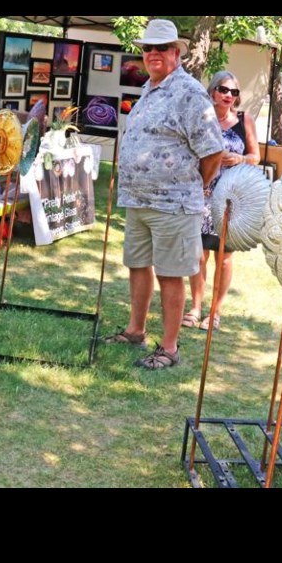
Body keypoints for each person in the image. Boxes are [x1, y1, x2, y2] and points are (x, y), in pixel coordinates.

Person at [103, 19, 224, 369]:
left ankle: (169, 348)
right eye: (147, 48)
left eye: (161, 48)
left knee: (170, 273)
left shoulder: (188, 92)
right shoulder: (150, 88)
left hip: (173, 203)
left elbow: (212, 150)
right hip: (139, 200)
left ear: (176, 52)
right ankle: (135, 330)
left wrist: (196, 184)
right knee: (137, 266)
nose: (153, 54)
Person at [182, 71, 260, 331]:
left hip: (230, 197)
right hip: (202, 192)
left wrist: (239, 159)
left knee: (224, 257)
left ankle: (215, 312)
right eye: (224, 90)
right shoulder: (203, 119)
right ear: (213, 91)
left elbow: (255, 156)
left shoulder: (244, 120)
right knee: (199, 254)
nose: (228, 96)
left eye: (234, 92)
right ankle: (195, 307)